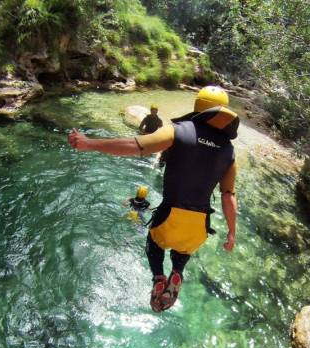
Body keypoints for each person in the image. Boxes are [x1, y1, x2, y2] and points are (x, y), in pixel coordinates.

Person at [69, 86, 238, 312]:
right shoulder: (229, 151)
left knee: (155, 243)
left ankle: (159, 277)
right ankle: (177, 272)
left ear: (198, 106)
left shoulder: (178, 131)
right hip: (199, 226)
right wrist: (231, 232)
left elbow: (136, 146)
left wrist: (89, 143)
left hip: (171, 217)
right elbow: (228, 195)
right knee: (183, 249)